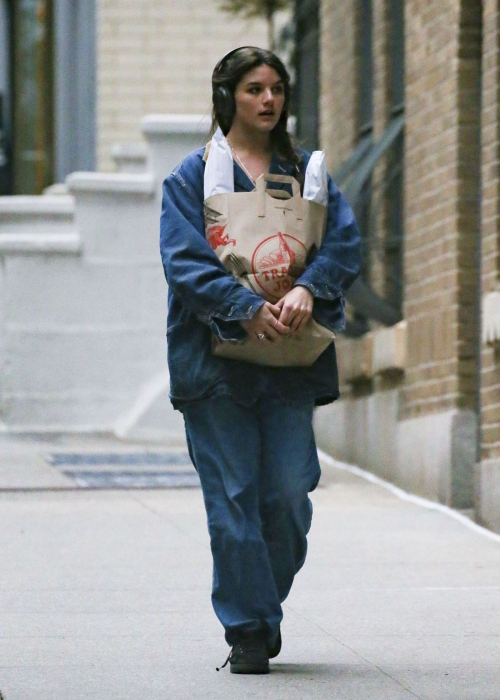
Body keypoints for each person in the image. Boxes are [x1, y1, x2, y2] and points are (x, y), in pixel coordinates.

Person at [159, 46, 361, 674]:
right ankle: (248, 629)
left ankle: (259, 605)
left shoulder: (309, 175)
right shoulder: (190, 178)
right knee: (234, 497)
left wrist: (308, 288)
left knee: (288, 498)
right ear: (228, 96)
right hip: (214, 367)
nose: (268, 100)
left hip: (290, 364)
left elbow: (344, 244)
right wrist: (240, 306)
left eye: (276, 88)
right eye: (253, 89)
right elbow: (184, 262)